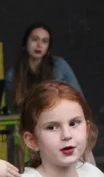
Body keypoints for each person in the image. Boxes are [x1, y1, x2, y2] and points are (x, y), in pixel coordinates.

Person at [6, 23, 94, 164]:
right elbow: (15, 109)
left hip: (61, 121)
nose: (39, 45)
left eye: (44, 41)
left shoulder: (59, 66)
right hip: (32, 126)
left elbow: (78, 98)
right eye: (34, 39)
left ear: (48, 47)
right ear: (25, 43)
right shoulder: (13, 74)